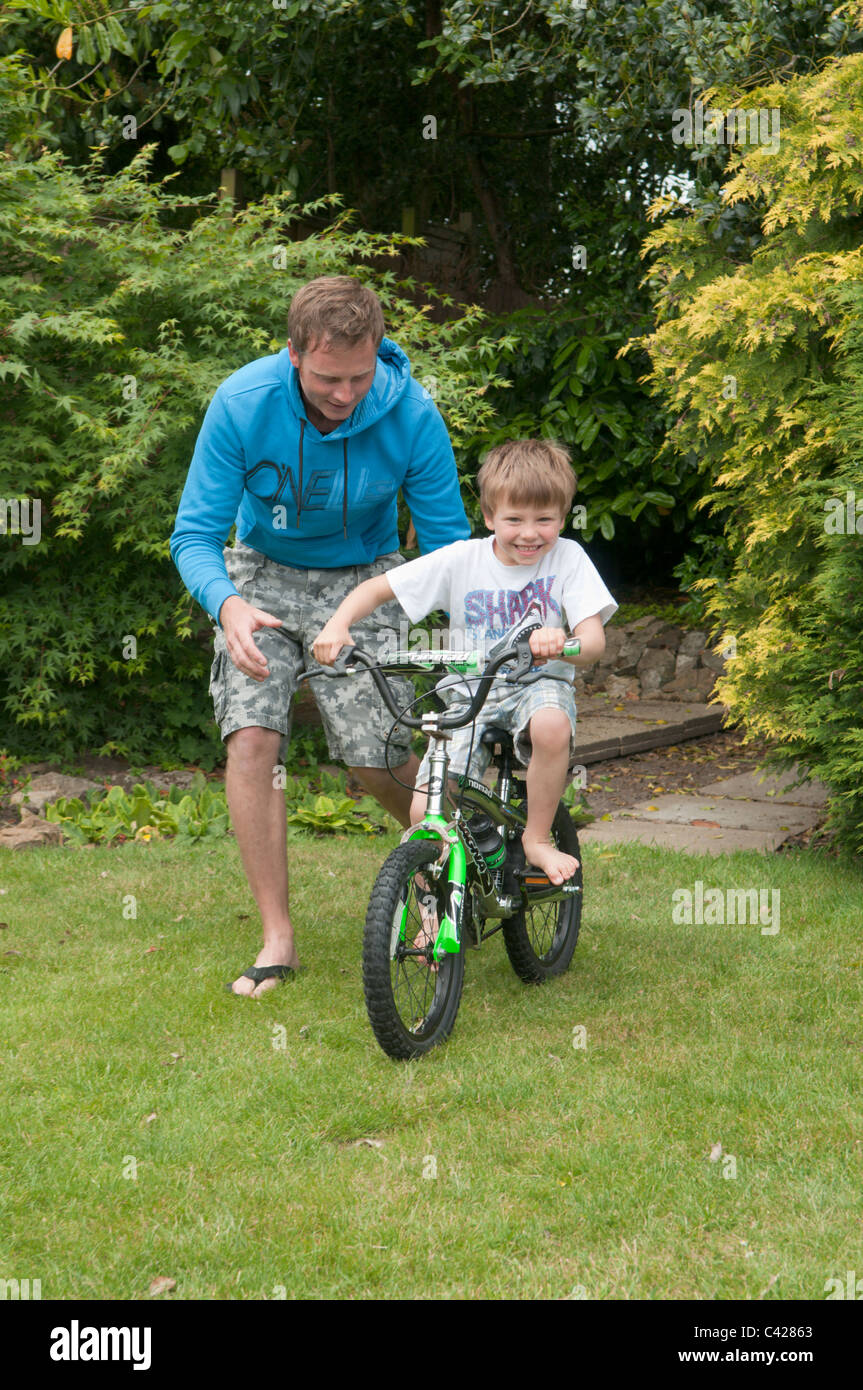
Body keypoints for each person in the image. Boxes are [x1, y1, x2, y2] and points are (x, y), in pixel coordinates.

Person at [170, 276, 470, 996]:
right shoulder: (242, 403)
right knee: (251, 738)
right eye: (329, 378)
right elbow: (195, 536)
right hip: (260, 577)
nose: (345, 394)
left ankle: (443, 856)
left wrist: (470, 642)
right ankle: (277, 938)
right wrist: (226, 605)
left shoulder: (412, 412)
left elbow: (447, 546)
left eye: (360, 377)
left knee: (375, 755)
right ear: (294, 353)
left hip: (363, 581)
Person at [313, 438, 618, 884]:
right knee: (424, 810)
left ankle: (537, 838)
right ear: (490, 516)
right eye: (514, 519)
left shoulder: (568, 559)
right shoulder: (462, 560)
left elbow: (593, 644)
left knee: (552, 725)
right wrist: (337, 624)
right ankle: (430, 915)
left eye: (544, 520)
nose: (530, 533)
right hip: (471, 693)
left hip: (537, 685)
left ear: (562, 518)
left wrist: (563, 642)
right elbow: (377, 589)